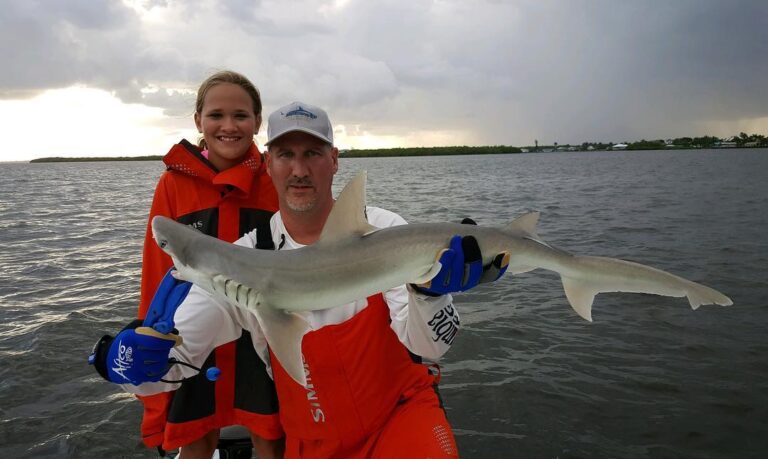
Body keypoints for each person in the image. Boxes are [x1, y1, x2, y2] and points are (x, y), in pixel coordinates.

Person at [91, 101, 508, 457]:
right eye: (286, 154)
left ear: (334, 160)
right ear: (268, 163)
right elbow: (174, 364)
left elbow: (431, 345)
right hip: (313, 433)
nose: (299, 169)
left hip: (399, 417)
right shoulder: (244, 255)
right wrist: (124, 359)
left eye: (312, 153)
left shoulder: (386, 232)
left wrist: (430, 294)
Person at [133, 71, 283, 458]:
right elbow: (156, 271)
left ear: (257, 122)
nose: (228, 126)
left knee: (271, 431)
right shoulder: (173, 184)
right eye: (216, 115)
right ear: (198, 120)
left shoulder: (276, 179)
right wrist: (151, 330)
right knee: (195, 433)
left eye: (241, 115)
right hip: (191, 330)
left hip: (261, 327)